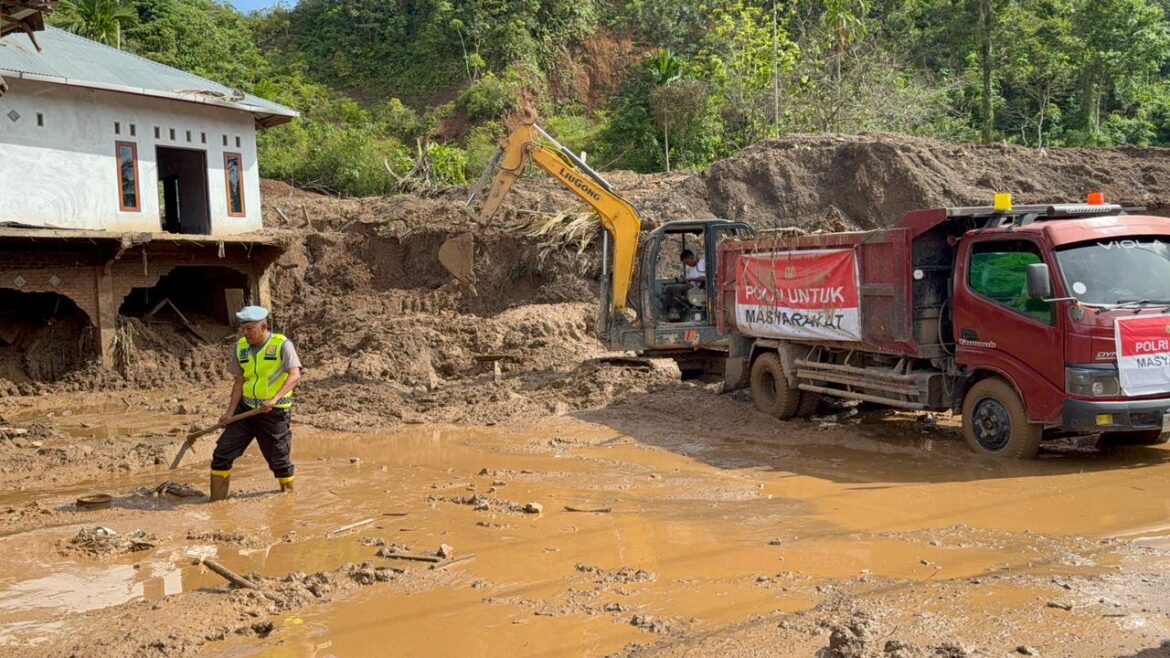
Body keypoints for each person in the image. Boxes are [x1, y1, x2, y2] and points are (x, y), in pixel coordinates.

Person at [209, 305, 303, 502]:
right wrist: (230, 413)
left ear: (264, 327)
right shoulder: (240, 347)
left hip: (273, 413)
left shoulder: (282, 344)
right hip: (246, 411)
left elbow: (295, 375)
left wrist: (274, 399)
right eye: (243, 328)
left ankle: (288, 500)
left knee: (279, 461)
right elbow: (239, 381)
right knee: (222, 454)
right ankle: (215, 503)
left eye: (250, 329)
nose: (245, 333)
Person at [660, 249, 706, 321]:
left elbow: (705, 278)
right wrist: (685, 281)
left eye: (687, 262)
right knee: (668, 288)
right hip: (691, 287)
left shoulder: (703, 263)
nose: (688, 265)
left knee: (677, 289)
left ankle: (674, 310)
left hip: (700, 289)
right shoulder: (691, 269)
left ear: (691, 257)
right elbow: (690, 282)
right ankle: (666, 313)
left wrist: (689, 279)